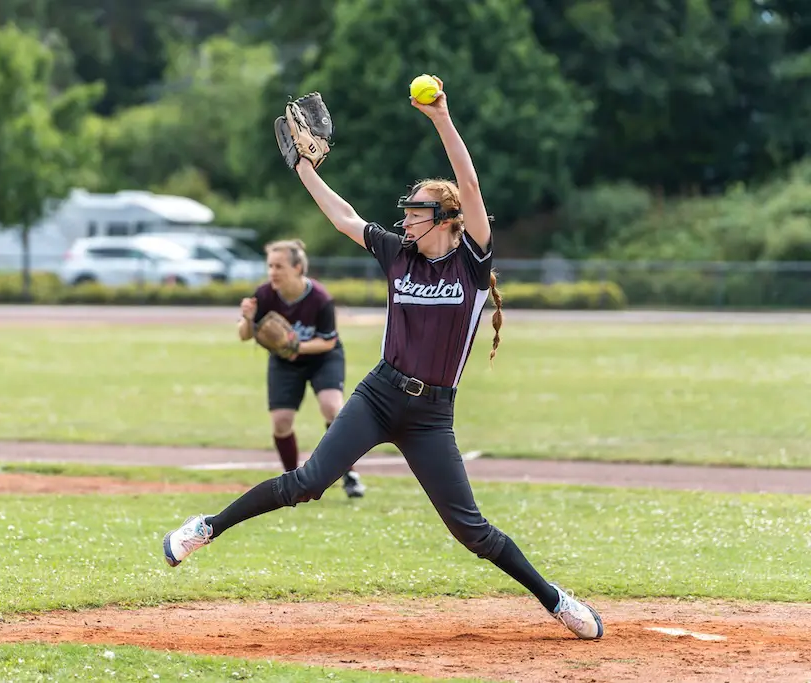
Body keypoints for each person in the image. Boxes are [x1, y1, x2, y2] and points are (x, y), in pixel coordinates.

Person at [162, 77, 604, 640]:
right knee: (307, 482)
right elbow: (344, 217)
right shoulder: (398, 254)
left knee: (471, 531)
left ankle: (556, 600)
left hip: (431, 416)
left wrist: (441, 118)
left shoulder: (470, 262)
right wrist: (304, 169)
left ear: (445, 217)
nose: (405, 219)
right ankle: (206, 528)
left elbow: (468, 184)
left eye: (417, 211)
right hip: (379, 395)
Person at [237, 239, 366, 499]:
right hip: (284, 362)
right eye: (270, 266)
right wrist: (249, 318)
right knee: (281, 421)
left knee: (332, 407)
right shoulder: (264, 295)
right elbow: (244, 335)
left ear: (298, 268)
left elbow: (327, 340)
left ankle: (349, 473)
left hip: (322, 357)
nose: (273, 272)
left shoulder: (319, 298)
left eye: (279, 266)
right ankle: (291, 480)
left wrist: (293, 344)